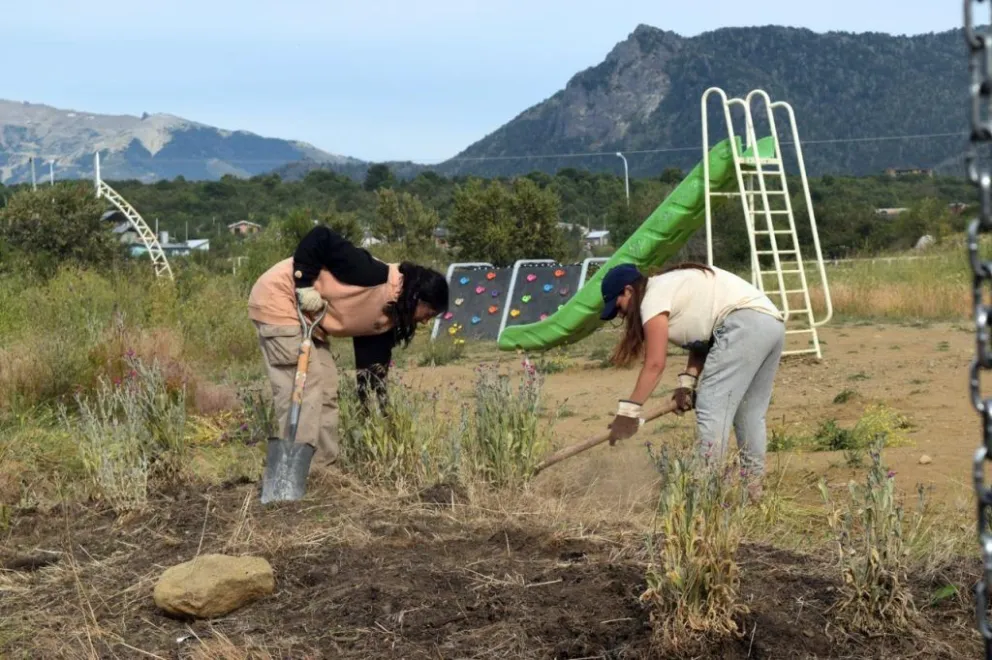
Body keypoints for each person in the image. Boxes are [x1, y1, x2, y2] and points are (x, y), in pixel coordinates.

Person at [248, 225, 449, 477]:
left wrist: (381, 417)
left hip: (311, 323)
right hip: (280, 300)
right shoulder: (371, 274)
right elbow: (319, 236)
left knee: (327, 390)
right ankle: (291, 476)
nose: (426, 321)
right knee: (303, 388)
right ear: (417, 298)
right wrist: (304, 285)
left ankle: (321, 471)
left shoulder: (388, 316)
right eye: (429, 314)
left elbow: (371, 375)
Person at [599, 261, 785, 499]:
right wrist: (687, 383)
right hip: (770, 325)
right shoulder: (670, 285)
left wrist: (628, 412)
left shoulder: (652, 299)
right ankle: (753, 489)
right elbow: (702, 338)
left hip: (743, 325)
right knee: (749, 413)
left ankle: (705, 493)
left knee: (711, 407)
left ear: (628, 291)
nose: (621, 315)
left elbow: (655, 364)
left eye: (619, 307)